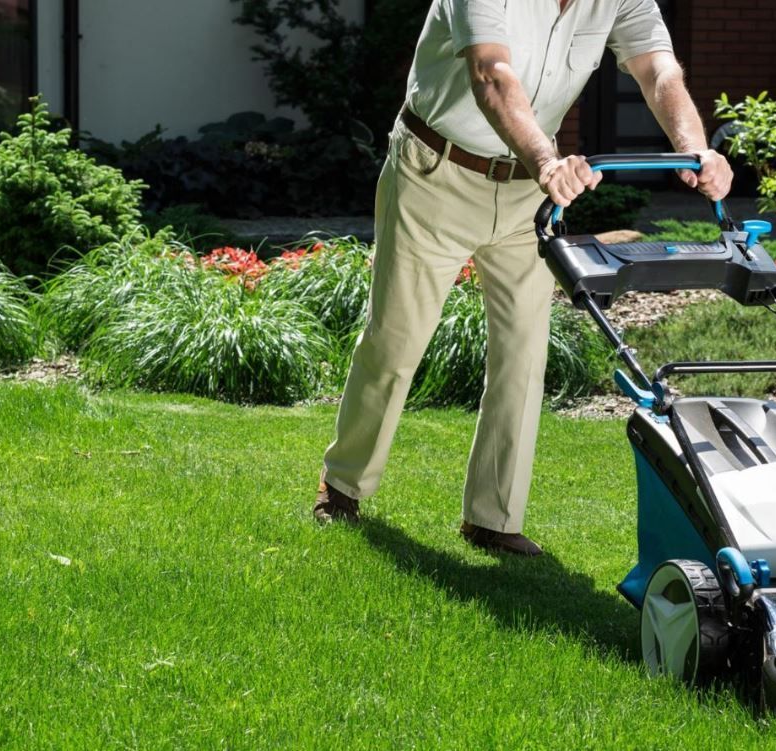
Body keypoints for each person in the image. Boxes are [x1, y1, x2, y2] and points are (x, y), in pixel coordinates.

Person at [313, 0, 733, 555]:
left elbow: (658, 69)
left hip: (528, 194)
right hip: (437, 171)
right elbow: (491, 72)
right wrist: (547, 160)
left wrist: (693, 146)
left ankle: (494, 516)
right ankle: (342, 485)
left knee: (524, 352)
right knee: (396, 340)